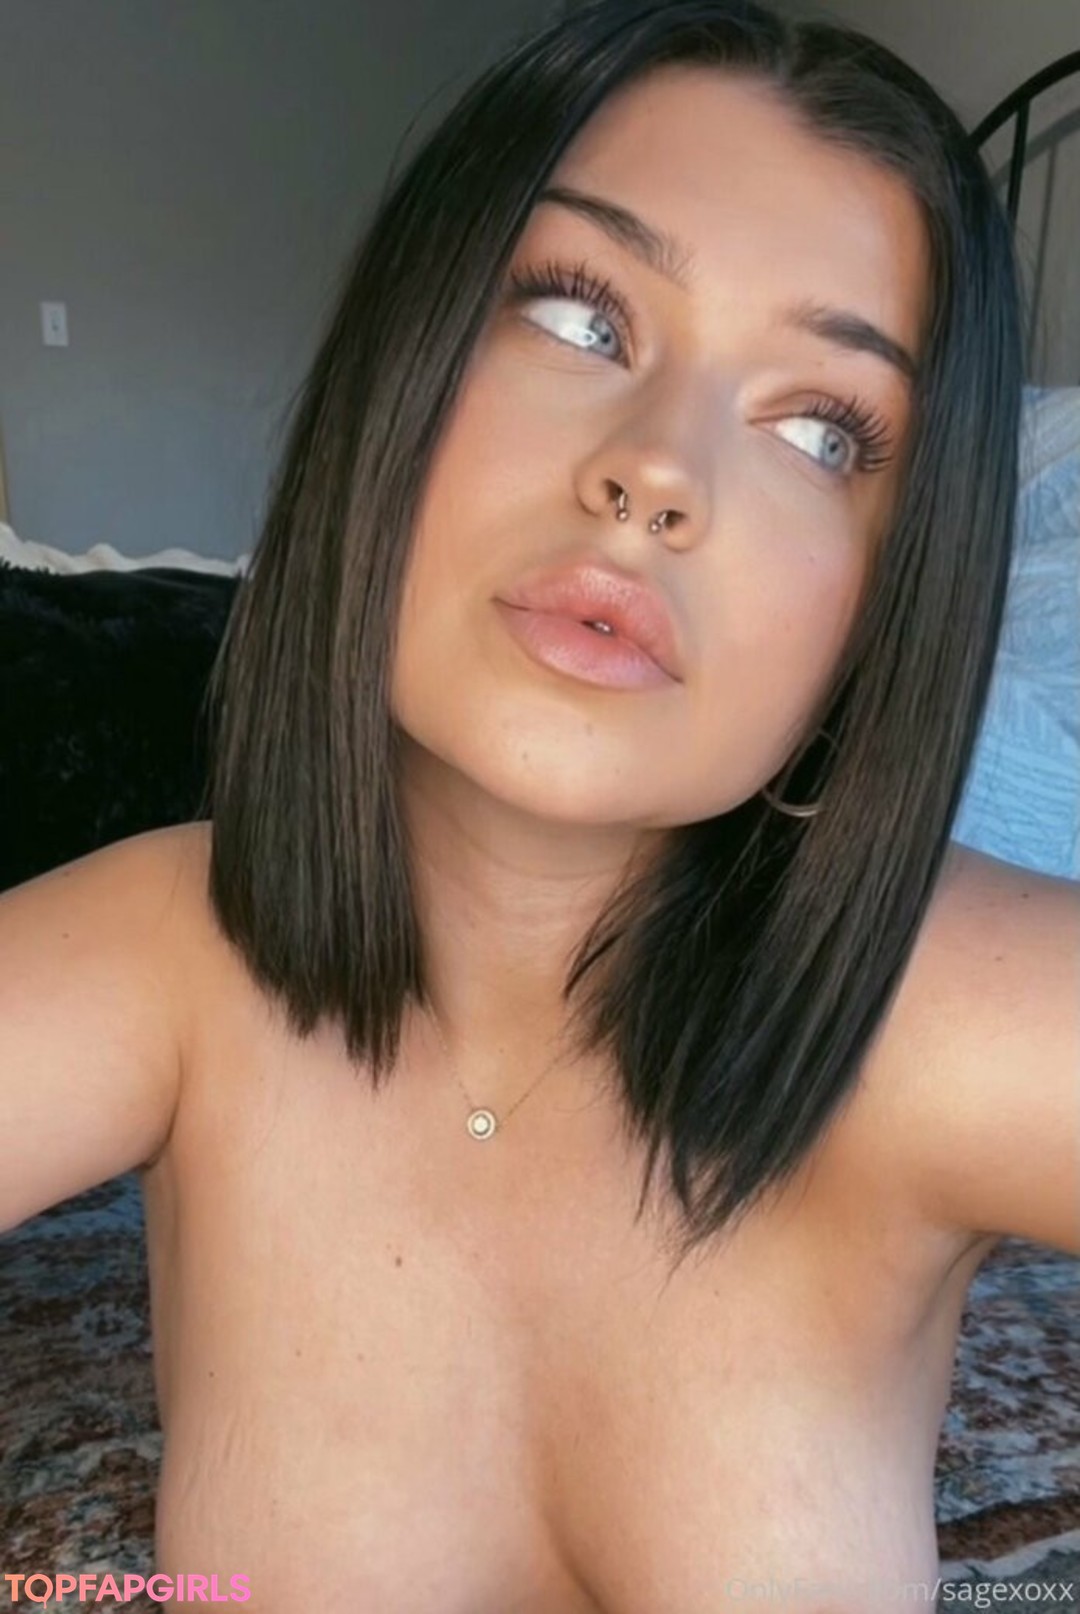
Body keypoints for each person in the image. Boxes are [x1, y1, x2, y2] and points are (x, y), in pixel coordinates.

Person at [2, 0, 1076, 1609]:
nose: (659, 472)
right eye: (582, 318)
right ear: (399, 361)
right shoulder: (172, 953)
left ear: (886, 606)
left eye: (822, 429)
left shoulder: (945, 1015)